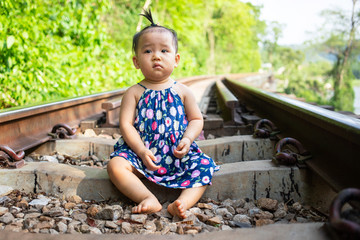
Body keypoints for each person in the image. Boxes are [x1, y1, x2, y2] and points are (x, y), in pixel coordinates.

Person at [107, 9, 219, 219]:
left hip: (176, 155)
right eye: (148, 51)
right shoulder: (134, 92)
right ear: (136, 62)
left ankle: (181, 203)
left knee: (205, 167)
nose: (156, 56)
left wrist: (187, 139)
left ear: (176, 59)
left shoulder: (183, 91)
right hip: (142, 155)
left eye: (164, 51)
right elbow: (126, 125)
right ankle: (147, 198)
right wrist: (140, 150)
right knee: (115, 165)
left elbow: (196, 119)